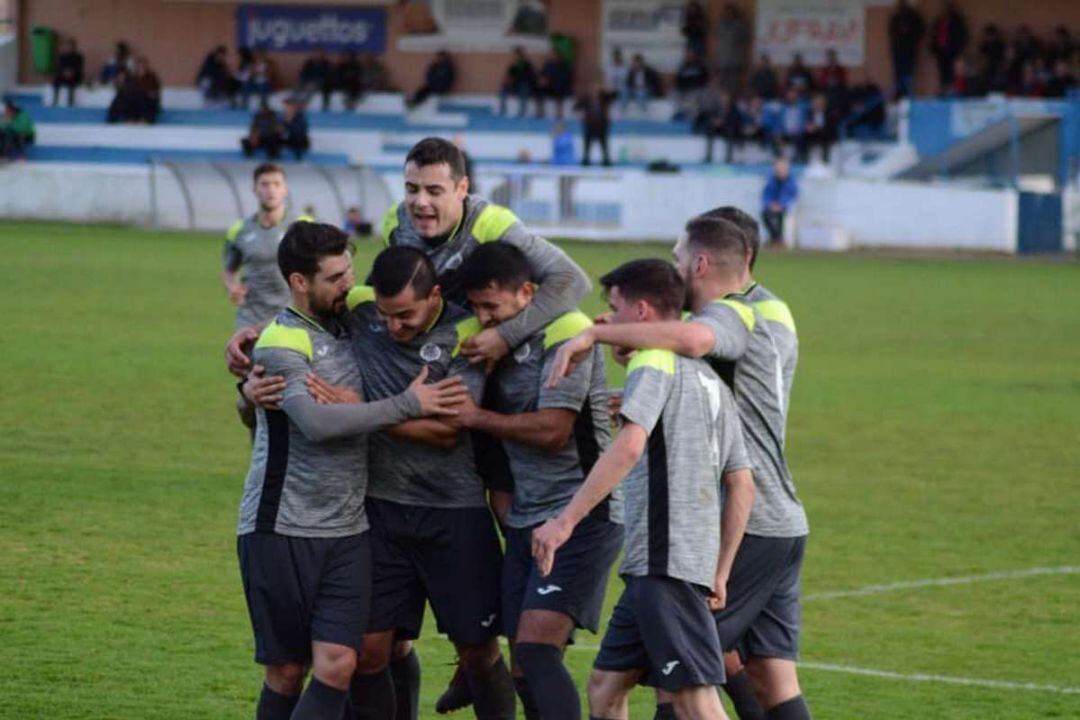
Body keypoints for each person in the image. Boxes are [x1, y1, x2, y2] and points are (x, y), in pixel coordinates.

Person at [546, 213, 812, 720]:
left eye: (677, 258)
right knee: (763, 677)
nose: (674, 268)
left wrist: (595, 337)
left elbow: (692, 343)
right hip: (777, 516)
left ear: (700, 263)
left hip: (740, 524)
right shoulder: (768, 312)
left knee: (683, 683)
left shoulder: (733, 315)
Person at [233, 222, 468, 720]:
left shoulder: (353, 315)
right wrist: (407, 404)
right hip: (282, 527)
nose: (349, 285)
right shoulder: (282, 341)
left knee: (341, 663)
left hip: (349, 531)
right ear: (300, 282)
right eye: (336, 277)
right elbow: (316, 423)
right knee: (287, 673)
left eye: (350, 272)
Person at [533, 256, 753, 720]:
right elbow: (741, 482)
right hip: (668, 563)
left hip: (664, 560)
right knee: (606, 687)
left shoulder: (653, 360)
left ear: (641, 312)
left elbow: (628, 448)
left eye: (613, 308)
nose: (605, 321)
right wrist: (720, 569)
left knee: (696, 699)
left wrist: (564, 521)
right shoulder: (711, 377)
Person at [311, 247, 516, 720]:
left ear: (435, 296)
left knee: (477, 652)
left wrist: (358, 412)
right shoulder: (363, 309)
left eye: (405, 315)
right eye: (385, 315)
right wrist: (248, 335)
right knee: (369, 651)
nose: (393, 327)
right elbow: (300, 314)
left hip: (454, 513)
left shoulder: (466, 333)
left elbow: (446, 433)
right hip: (380, 511)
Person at [452, 243, 623, 719]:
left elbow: (553, 431)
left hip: (581, 512)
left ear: (528, 293)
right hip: (528, 519)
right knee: (524, 665)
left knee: (535, 652)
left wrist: (475, 416)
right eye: (478, 308)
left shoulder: (566, 331)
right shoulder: (494, 344)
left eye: (494, 306)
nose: (485, 319)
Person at [379, 137, 591, 372]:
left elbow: (571, 279)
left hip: (486, 353)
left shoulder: (492, 225)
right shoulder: (395, 222)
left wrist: (505, 336)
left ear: (462, 189)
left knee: (575, 323)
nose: (420, 202)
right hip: (431, 350)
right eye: (411, 189)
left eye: (434, 191)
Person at [221, 164, 313, 332]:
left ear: (285, 189)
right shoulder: (239, 230)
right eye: (264, 184)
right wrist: (233, 287)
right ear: (254, 189)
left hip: (292, 316)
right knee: (249, 359)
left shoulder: (304, 226)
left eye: (277, 184)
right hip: (250, 319)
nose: (271, 190)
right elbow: (229, 271)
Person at [929, 1, 969, 95]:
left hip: (953, 52)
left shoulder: (958, 22)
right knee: (942, 72)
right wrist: (933, 48)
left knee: (953, 73)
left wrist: (959, 49)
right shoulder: (939, 22)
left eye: (948, 9)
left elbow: (963, 36)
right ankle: (944, 90)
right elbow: (933, 35)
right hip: (941, 51)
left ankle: (952, 91)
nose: (945, 12)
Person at [888, 0, 924, 99]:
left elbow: (920, 31)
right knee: (897, 74)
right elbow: (891, 33)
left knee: (908, 74)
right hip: (898, 50)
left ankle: (907, 95)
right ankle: (898, 95)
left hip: (909, 51)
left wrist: (909, 34)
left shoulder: (914, 18)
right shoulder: (895, 18)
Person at [714, 3, 750, 93]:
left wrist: (743, 18)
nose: (729, 14)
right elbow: (716, 36)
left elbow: (745, 37)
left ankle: (733, 103)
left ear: (734, 13)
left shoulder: (739, 25)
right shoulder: (720, 24)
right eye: (727, 12)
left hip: (735, 61)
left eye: (731, 12)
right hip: (722, 60)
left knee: (734, 86)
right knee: (721, 85)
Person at [575, 82, 613, 167]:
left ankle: (606, 160)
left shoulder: (604, 98)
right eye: (593, 90)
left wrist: (607, 90)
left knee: (603, 143)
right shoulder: (586, 99)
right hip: (589, 125)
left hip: (601, 124)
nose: (594, 92)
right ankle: (586, 159)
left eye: (596, 90)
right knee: (587, 143)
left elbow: (613, 96)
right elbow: (576, 107)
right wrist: (580, 117)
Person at [761, 159, 797, 244]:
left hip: (784, 207)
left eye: (781, 169)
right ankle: (776, 238)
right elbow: (766, 195)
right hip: (772, 207)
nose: (779, 171)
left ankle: (777, 239)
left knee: (781, 215)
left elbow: (792, 196)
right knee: (765, 214)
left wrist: (782, 204)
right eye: (777, 169)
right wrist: (770, 204)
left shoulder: (791, 182)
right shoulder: (771, 181)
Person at [499, 47, 538, 118]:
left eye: (517, 55)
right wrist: (507, 80)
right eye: (515, 55)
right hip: (514, 86)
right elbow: (508, 76)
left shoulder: (527, 65)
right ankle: (502, 111)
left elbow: (531, 77)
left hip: (523, 86)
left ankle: (521, 113)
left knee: (524, 88)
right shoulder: (513, 66)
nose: (515, 57)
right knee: (503, 91)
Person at [674, 48, 710, 121]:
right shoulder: (683, 67)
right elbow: (678, 81)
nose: (689, 56)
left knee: (694, 99)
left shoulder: (700, 66)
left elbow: (705, 79)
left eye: (691, 54)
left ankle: (694, 119)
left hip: (698, 91)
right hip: (685, 91)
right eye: (688, 54)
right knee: (676, 96)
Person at [535, 51, 573, 120]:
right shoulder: (548, 65)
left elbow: (563, 77)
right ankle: (540, 114)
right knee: (539, 93)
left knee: (559, 92)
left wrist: (550, 81)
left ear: (558, 57)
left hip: (558, 87)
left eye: (554, 55)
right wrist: (542, 80)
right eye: (552, 55)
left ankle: (559, 115)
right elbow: (543, 74)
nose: (552, 57)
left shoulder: (562, 66)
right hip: (548, 87)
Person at [52, 38, 84, 107]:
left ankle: (70, 101)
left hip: (74, 76)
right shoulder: (62, 57)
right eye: (67, 46)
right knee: (56, 81)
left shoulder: (78, 57)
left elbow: (79, 68)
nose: (68, 48)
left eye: (70, 46)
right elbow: (59, 67)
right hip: (63, 75)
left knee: (71, 82)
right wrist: (64, 73)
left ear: (74, 47)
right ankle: (55, 100)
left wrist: (71, 72)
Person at [132, 56, 161, 124]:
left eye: (143, 66)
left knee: (142, 96)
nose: (141, 68)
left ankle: (145, 119)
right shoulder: (133, 77)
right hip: (135, 102)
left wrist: (147, 93)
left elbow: (155, 92)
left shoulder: (152, 77)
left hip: (148, 102)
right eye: (139, 66)